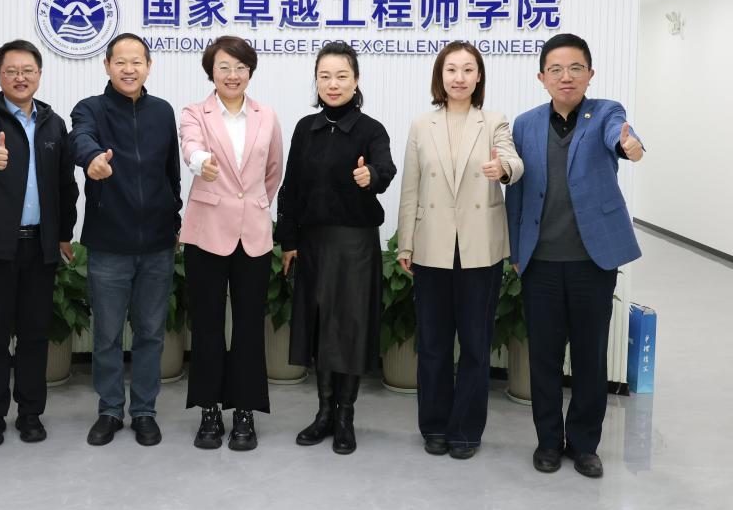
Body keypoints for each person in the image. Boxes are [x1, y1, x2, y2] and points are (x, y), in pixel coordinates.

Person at [506, 33, 644, 479]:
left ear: (590, 74)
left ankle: (584, 445)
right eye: (556, 70)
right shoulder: (525, 124)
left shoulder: (605, 113)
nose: (566, 77)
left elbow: (619, 135)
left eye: (575, 68)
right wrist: (515, 250)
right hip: (540, 262)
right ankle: (548, 441)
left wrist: (630, 145)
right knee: (544, 358)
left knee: (589, 356)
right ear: (542, 77)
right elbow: (516, 192)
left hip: (592, 261)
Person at [395, 41, 524, 459]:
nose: (459, 77)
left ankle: (466, 430)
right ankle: (434, 426)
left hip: (479, 247)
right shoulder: (422, 125)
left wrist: (502, 169)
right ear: (440, 76)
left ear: (479, 76)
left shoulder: (493, 121)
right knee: (432, 344)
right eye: (451, 69)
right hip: (432, 245)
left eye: (468, 69)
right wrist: (405, 242)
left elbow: (513, 161)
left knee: (474, 344)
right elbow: (411, 188)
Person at [275, 41, 396, 455]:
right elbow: (290, 188)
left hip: (354, 244)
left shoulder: (370, 129)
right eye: (324, 76)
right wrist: (289, 240)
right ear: (316, 81)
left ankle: (345, 416)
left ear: (356, 81)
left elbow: (385, 167)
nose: (333, 84)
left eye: (342, 76)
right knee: (320, 326)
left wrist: (371, 176)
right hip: (312, 243)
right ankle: (324, 412)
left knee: (349, 327)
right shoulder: (304, 129)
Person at [0, 39, 78, 447]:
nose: (20, 78)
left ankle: (30, 413)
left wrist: (64, 234)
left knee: (34, 334)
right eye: (11, 71)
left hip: (40, 245)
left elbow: (65, 184)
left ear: (39, 75)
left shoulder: (53, 123)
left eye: (28, 70)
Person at [70, 33, 182, 447]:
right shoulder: (91, 109)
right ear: (107, 66)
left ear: (149, 66)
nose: (129, 69)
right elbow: (80, 138)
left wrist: (174, 216)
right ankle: (110, 410)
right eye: (120, 62)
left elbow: (172, 172)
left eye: (137, 62)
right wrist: (91, 158)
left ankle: (145, 411)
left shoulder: (162, 111)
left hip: (157, 244)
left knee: (151, 332)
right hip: (109, 243)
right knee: (108, 335)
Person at [179, 36, 283, 451]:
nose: (233, 75)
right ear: (211, 71)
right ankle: (209, 411)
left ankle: (244, 411)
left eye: (240, 67)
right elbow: (190, 147)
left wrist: (253, 205)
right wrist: (200, 163)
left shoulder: (266, 115)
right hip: (206, 232)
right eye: (224, 67)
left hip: (252, 235)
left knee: (248, 328)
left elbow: (273, 170)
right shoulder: (195, 113)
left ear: (250, 72)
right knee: (206, 326)